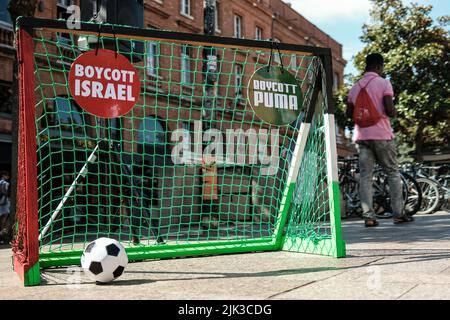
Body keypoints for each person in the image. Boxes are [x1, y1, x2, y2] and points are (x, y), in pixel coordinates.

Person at [346, 53, 414, 227]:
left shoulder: (354, 87)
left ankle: (369, 216)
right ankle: (399, 214)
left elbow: (349, 114)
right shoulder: (384, 83)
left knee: (365, 177)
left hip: (362, 137)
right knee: (392, 172)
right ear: (378, 67)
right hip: (382, 135)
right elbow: (390, 110)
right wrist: (394, 111)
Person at [0, 171, 11, 243]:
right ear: (4, 175)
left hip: (2, 201)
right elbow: (3, 191)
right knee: (4, 218)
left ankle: (2, 233)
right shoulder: (4, 183)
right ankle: (2, 233)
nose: (8, 177)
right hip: (3, 201)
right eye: (7, 175)